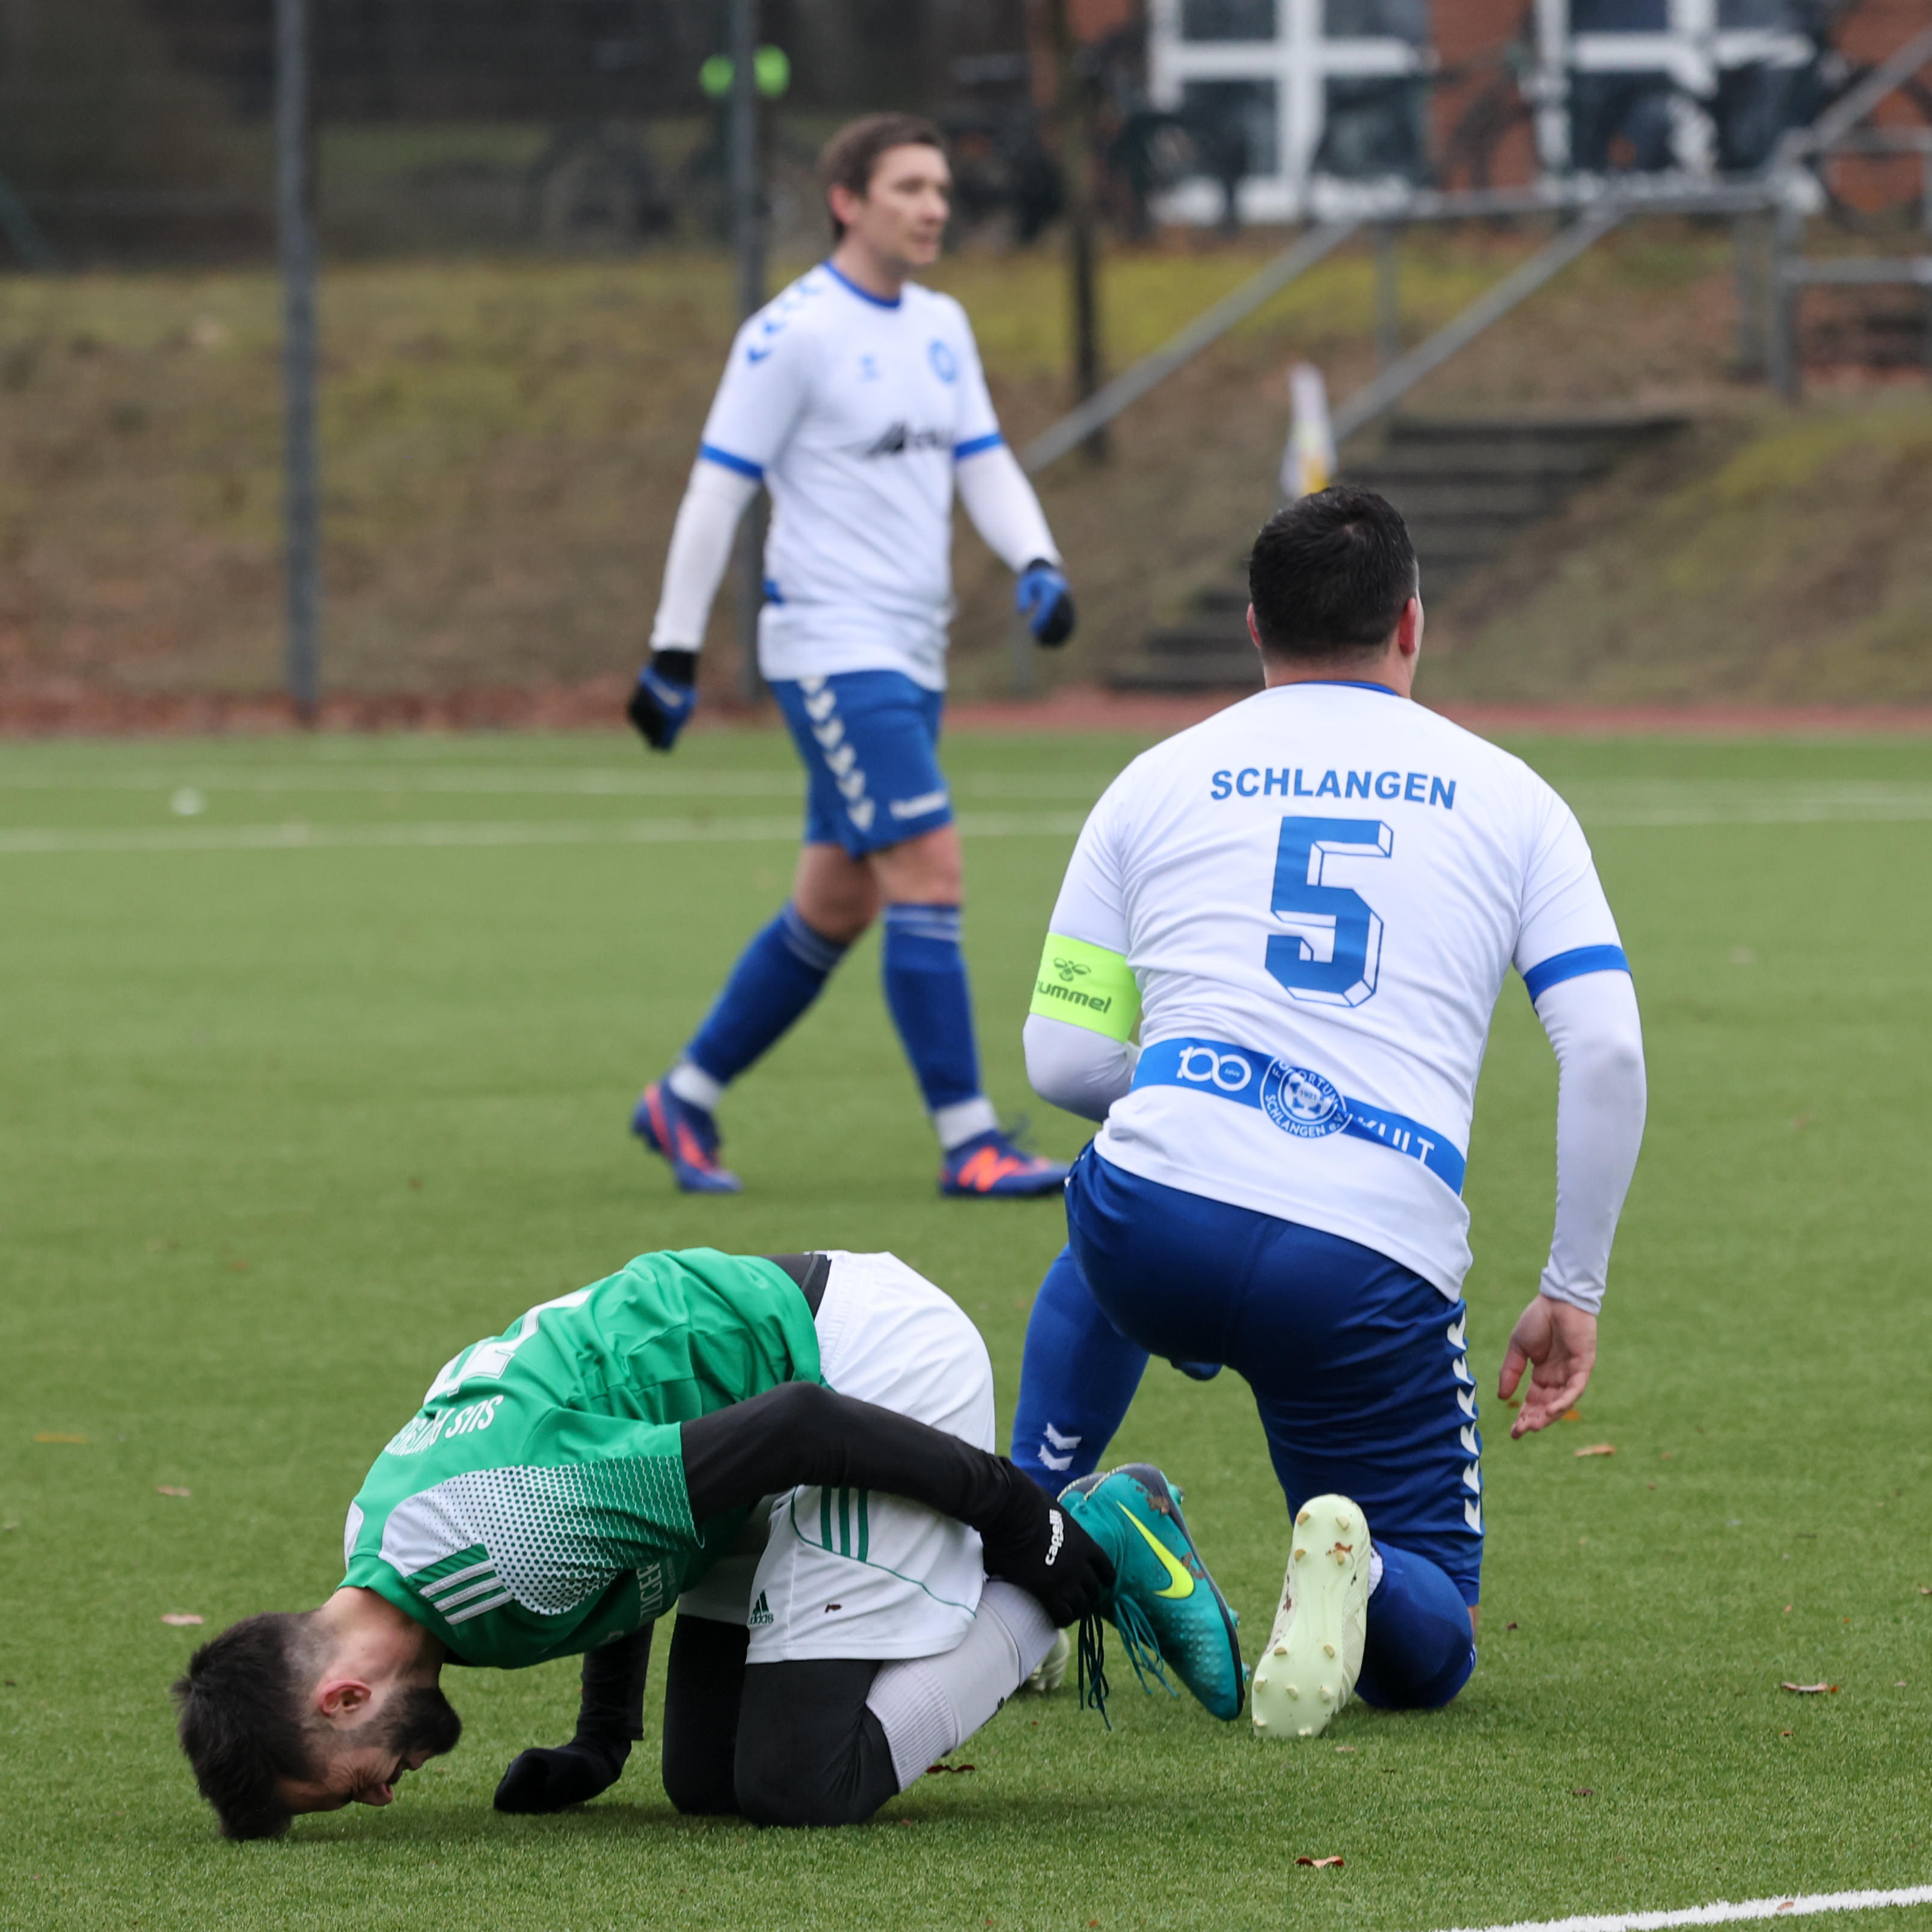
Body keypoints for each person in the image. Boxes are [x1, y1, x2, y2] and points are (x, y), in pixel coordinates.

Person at [1007, 486, 1647, 1739]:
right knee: (1430, 1650)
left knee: (1107, 1192)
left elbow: (1059, 1056)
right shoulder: (1513, 797)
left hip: (1157, 1220)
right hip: (1361, 1255)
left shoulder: (1150, 779)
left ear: (1254, 624)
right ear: (1410, 623)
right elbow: (1608, 1049)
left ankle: (1023, 1538)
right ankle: (1356, 1564)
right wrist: (1569, 1285)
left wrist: (1204, 1093)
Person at [173, 1246, 1244, 1840]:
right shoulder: (387, 1546)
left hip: (858, 1369)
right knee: (703, 1781)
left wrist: (1020, 1516)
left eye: (351, 1784)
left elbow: (800, 1427)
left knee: (800, 1785)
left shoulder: (498, 1538)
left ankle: (1097, 1532)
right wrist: (603, 1739)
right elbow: (622, 1530)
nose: (383, 1793)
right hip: (756, 1431)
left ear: (341, 1698)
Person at [627, 112, 1076, 1199]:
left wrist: (1036, 557)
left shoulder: (942, 324)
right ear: (846, 201)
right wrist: (672, 650)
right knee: (928, 868)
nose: (933, 207)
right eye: (908, 187)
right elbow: (716, 491)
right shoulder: (790, 334)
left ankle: (683, 1097)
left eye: (941, 190)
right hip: (830, 645)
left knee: (837, 903)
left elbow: (983, 458)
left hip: (912, 650)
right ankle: (970, 1139)